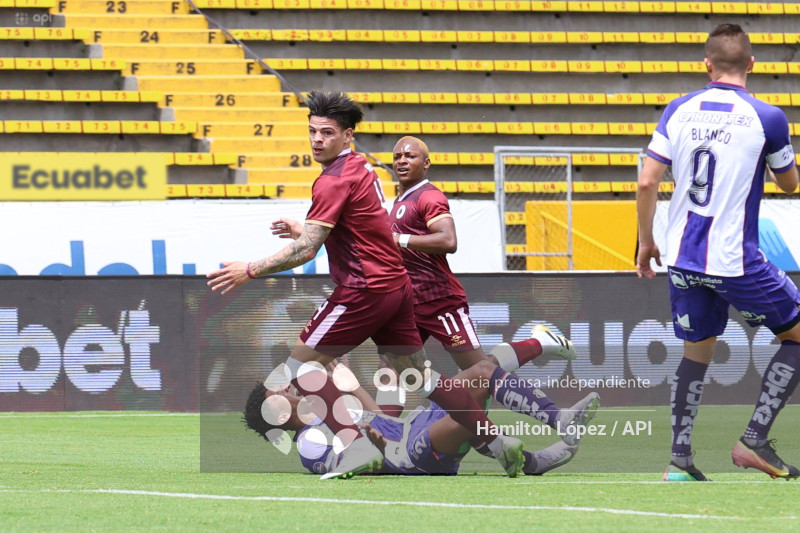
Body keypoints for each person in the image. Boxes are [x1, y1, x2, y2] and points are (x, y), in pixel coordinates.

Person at [208, 90, 529, 479]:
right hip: (395, 287)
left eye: (327, 133)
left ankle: (359, 448)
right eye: (312, 131)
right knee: (419, 376)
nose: (316, 140)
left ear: (347, 136)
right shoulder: (362, 168)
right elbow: (364, 231)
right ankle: (496, 441)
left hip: (364, 289)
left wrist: (251, 269)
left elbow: (307, 249)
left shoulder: (331, 181)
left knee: (298, 371)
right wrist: (312, 230)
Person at [636, 24, 800, 481]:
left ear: (706, 64)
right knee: (798, 338)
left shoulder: (678, 109)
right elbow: (791, 183)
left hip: (683, 258)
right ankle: (754, 439)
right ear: (752, 64)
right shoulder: (767, 116)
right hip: (734, 260)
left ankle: (680, 462)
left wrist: (647, 241)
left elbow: (648, 180)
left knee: (696, 352)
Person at [243, 357, 598, 476]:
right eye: (278, 393)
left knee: (482, 371)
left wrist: (349, 384)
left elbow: (378, 417)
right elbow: (350, 462)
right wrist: (377, 450)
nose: (288, 389)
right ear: (273, 412)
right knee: (465, 415)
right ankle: (531, 463)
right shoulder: (308, 441)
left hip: (411, 426)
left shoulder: (327, 408)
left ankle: (559, 418)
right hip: (412, 454)